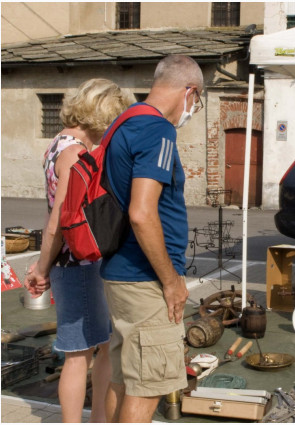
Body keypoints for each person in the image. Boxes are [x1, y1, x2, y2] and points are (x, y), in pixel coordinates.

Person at [24, 78, 134, 422]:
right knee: (77, 355)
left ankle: (99, 417)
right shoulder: (76, 154)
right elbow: (59, 220)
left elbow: (53, 211)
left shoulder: (58, 144)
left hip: (74, 263)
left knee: (99, 347)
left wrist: (44, 263)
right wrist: (42, 268)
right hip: (77, 264)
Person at [100, 54, 203, 422]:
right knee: (149, 386)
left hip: (119, 271)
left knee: (123, 380)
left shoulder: (123, 122)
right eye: (197, 100)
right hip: (145, 280)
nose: (192, 109)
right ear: (189, 92)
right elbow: (142, 214)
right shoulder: (157, 129)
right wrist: (171, 281)